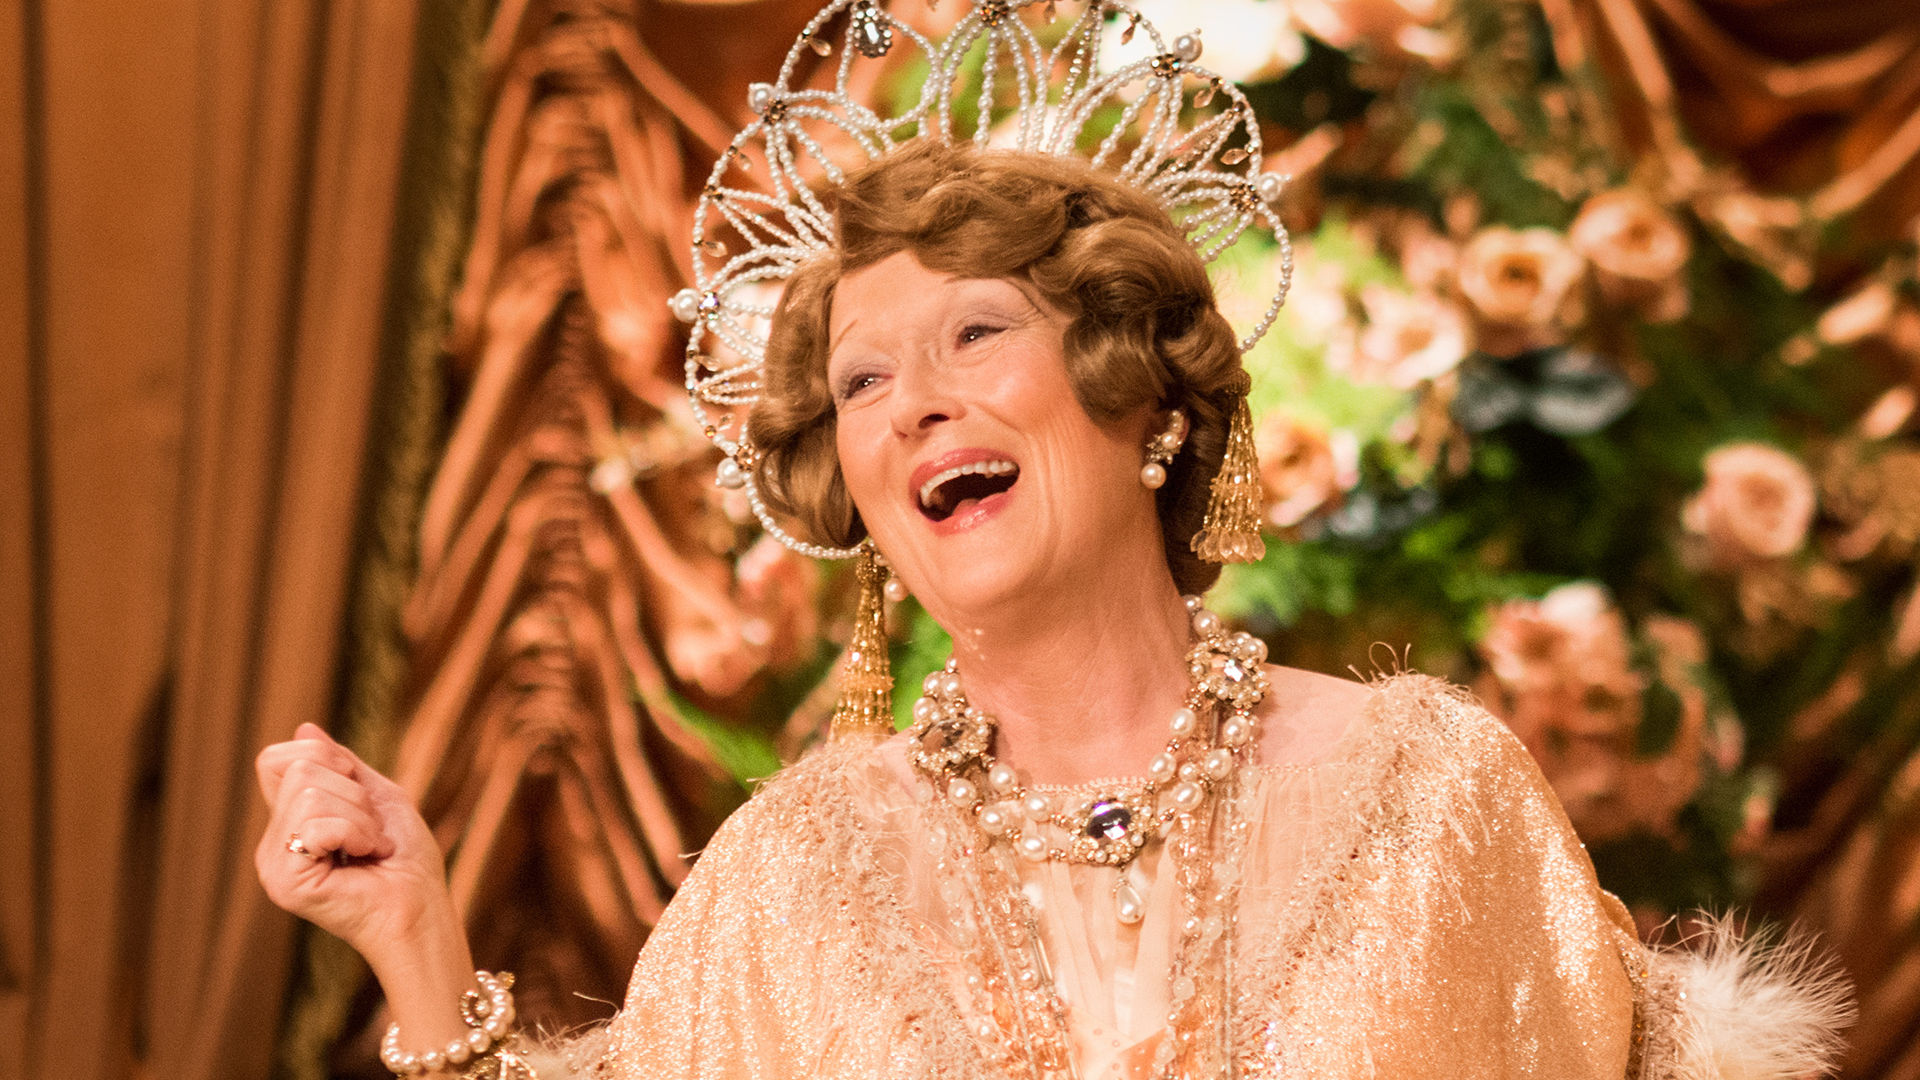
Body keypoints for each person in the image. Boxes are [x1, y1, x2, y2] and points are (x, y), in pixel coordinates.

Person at [256, 4, 1851, 1078]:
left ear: (1138, 394)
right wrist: (414, 934)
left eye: (974, 335)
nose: (912, 405)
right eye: (862, 383)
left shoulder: (1430, 795)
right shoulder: (793, 877)